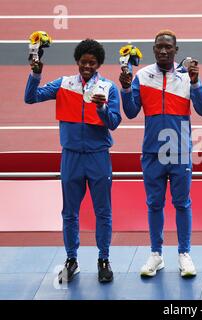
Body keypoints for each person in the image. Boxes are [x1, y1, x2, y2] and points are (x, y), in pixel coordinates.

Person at [24, 39, 121, 283]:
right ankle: (71, 260)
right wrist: (35, 74)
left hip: (98, 157)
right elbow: (31, 97)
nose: (87, 66)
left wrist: (101, 110)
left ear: (98, 64)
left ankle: (104, 259)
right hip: (71, 157)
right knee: (69, 213)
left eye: (92, 62)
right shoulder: (63, 84)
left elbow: (114, 122)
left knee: (103, 212)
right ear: (77, 61)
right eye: (83, 61)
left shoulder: (108, 88)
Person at [119, 29, 202, 277]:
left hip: (180, 152)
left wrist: (195, 82)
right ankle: (156, 255)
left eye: (168, 47)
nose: (163, 50)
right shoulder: (143, 76)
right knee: (154, 204)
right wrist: (126, 90)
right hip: (152, 153)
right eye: (159, 46)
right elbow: (130, 112)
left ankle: (184, 255)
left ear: (176, 50)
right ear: (153, 49)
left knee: (182, 204)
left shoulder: (186, 76)